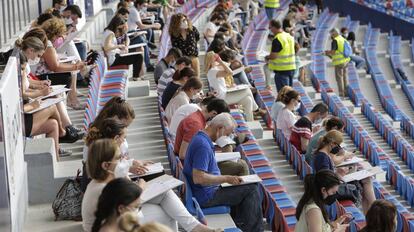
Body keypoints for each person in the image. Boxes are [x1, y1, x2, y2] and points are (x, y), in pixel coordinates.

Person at [82, 139, 218, 232]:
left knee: (165, 194)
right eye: (119, 158)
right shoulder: (101, 188)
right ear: (105, 165)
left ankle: (195, 227)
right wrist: (140, 186)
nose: (124, 161)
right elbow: (126, 206)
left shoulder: (107, 178)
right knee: (166, 213)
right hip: (111, 223)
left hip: (120, 216)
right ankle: (194, 227)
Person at [183, 113, 264, 232]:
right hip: (207, 195)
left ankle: (242, 225)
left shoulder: (201, 138)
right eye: (226, 134)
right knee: (252, 189)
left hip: (207, 190)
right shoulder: (203, 146)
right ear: (219, 128)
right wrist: (226, 178)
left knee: (246, 187)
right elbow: (198, 178)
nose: (226, 138)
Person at [312, 130, 376, 213]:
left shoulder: (323, 155)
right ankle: (375, 210)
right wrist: (338, 175)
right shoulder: (322, 157)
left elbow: (326, 174)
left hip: (331, 186)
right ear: (332, 143)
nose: (338, 148)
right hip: (330, 192)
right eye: (338, 145)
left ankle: (372, 212)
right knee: (365, 182)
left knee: (366, 180)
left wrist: (337, 173)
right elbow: (325, 180)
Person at [34, 17, 86, 109]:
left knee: (69, 72)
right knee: (67, 77)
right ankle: (69, 101)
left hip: (40, 75)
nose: (59, 39)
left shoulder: (46, 41)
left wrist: (74, 67)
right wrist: (75, 67)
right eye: (59, 36)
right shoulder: (48, 44)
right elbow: (55, 67)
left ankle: (70, 100)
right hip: (40, 78)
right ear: (54, 33)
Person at [206, 51, 265, 121]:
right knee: (247, 90)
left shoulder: (213, 71)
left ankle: (250, 122)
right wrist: (220, 61)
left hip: (224, 93)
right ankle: (256, 109)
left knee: (248, 100)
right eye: (216, 59)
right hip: (222, 97)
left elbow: (228, 65)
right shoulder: (213, 71)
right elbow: (230, 72)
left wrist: (228, 86)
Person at [102, 15, 144, 80]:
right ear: (118, 25)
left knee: (138, 54)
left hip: (115, 56)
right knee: (139, 56)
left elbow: (125, 38)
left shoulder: (107, 31)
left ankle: (137, 76)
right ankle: (136, 77)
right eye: (123, 25)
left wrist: (124, 47)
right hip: (114, 60)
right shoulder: (110, 34)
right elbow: (106, 47)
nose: (123, 27)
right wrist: (119, 46)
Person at [266, 20, 296, 92]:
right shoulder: (288, 36)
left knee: (284, 94)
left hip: (281, 70)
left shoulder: (277, 39)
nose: (270, 30)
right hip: (291, 68)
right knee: (290, 92)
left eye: (270, 27)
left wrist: (267, 57)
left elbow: (273, 56)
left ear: (274, 27)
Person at [169, 13, 200, 78]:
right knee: (186, 79)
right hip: (183, 61)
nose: (185, 22)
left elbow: (197, 38)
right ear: (177, 23)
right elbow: (176, 49)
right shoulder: (174, 35)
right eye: (182, 21)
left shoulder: (192, 29)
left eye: (185, 20)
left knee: (196, 78)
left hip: (193, 57)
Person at [325, 28, 350, 98]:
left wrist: (327, 52)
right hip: (346, 60)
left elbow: (333, 52)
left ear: (334, 34)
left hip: (339, 62)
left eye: (331, 34)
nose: (331, 36)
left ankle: (342, 94)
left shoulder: (335, 41)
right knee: (345, 77)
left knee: (339, 78)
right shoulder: (342, 38)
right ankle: (346, 92)